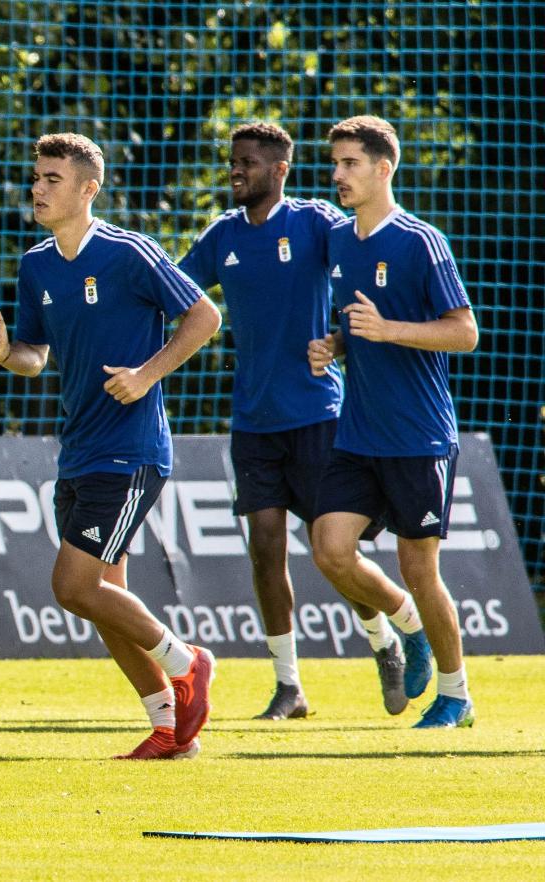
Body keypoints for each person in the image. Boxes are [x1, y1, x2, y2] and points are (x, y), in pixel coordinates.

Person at [0, 133, 220, 760]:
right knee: (104, 600)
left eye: (52, 179)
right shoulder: (35, 264)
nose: (38, 188)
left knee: (74, 586)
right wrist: (7, 354)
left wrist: (146, 374)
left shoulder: (130, 252)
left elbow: (204, 318)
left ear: (89, 189)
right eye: (36, 177)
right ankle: (169, 728)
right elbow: (34, 356)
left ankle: (188, 662)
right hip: (78, 449)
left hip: (131, 449)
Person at [178, 122, 431, 720]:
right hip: (252, 421)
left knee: (333, 552)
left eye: (248, 162)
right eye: (233, 161)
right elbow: (174, 290)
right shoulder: (222, 237)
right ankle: (289, 686)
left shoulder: (317, 222)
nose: (236, 170)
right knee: (265, 549)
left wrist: (342, 342)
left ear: (279, 171)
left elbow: (367, 264)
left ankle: (387, 639)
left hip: (320, 416)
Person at [309, 115, 479, 728]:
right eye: (335, 163)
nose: (337, 175)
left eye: (350, 163)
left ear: (384, 169)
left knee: (418, 567)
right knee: (329, 549)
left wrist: (389, 331)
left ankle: (456, 695)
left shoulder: (419, 240)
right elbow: (359, 326)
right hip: (358, 433)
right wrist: (336, 344)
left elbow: (464, 332)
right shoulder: (339, 241)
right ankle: (409, 627)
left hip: (418, 436)